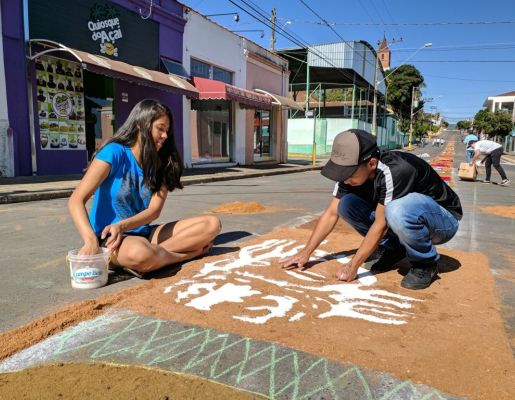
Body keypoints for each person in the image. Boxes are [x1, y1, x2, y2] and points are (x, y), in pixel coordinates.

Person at [280, 129, 462, 290]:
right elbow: (330, 214)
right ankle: (393, 248)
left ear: (371, 164)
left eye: (349, 174)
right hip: (406, 218)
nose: (345, 179)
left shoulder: (396, 171)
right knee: (346, 204)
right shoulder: (350, 175)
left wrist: (353, 266)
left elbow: (381, 224)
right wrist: (306, 252)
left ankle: (425, 263)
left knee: (397, 210)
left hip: (443, 221)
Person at [69, 99, 221, 277]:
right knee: (140, 254)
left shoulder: (163, 164)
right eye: (160, 128)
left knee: (211, 225)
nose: (165, 135)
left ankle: (153, 257)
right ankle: (182, 255)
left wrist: (123, 225)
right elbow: (76, 200)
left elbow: (154, 211)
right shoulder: (114, 152)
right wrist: (90, 241)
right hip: (112, 240)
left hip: (145, 234)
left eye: (167, 131)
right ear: (141, 125)